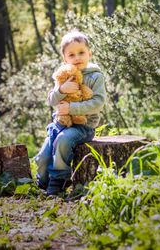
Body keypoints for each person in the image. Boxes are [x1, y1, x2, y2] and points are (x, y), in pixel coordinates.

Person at [35, 30, 106, 196]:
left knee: (63, 140)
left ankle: (59, 181)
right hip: (60, 124)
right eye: (71, 55)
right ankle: (43, 183)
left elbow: (97, 103)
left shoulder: (96, 76)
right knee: (43, 156)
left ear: (90, 53)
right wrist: (61, 89)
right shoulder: (64, 76)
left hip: (83, 127)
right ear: (64, 58)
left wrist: (71, 109)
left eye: (81, 53)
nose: (77, 58)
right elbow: (51, 100)